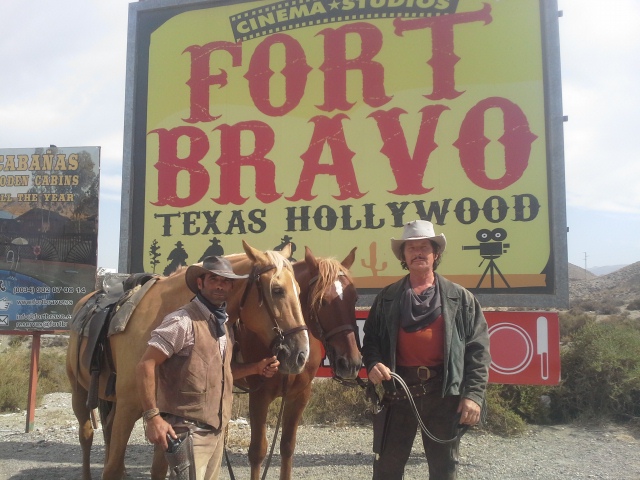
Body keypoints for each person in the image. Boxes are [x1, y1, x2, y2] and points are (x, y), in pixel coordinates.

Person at [362, 220, 491, 480]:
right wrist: (373, 362)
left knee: (444, 469)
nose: (418, 252)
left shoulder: (461, 299)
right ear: (403, 256)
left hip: (444, 394)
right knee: (386, 469)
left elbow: (478, 351)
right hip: (398, 393)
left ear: (436, 254)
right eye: (411, 248)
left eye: (424, 247)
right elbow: (371, 340)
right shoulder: (387, 298)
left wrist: (474, 395)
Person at [136, 256, 280, 480]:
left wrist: (256, 368)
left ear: (231, 287)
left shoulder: (224, 325)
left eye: (226, 281)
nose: (220, 285)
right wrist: (153, 417)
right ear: (200, 283)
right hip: (187, 432)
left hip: (216, 432)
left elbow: (221, 373)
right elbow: (146, 364)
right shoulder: (182, 321)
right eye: (214, 279)